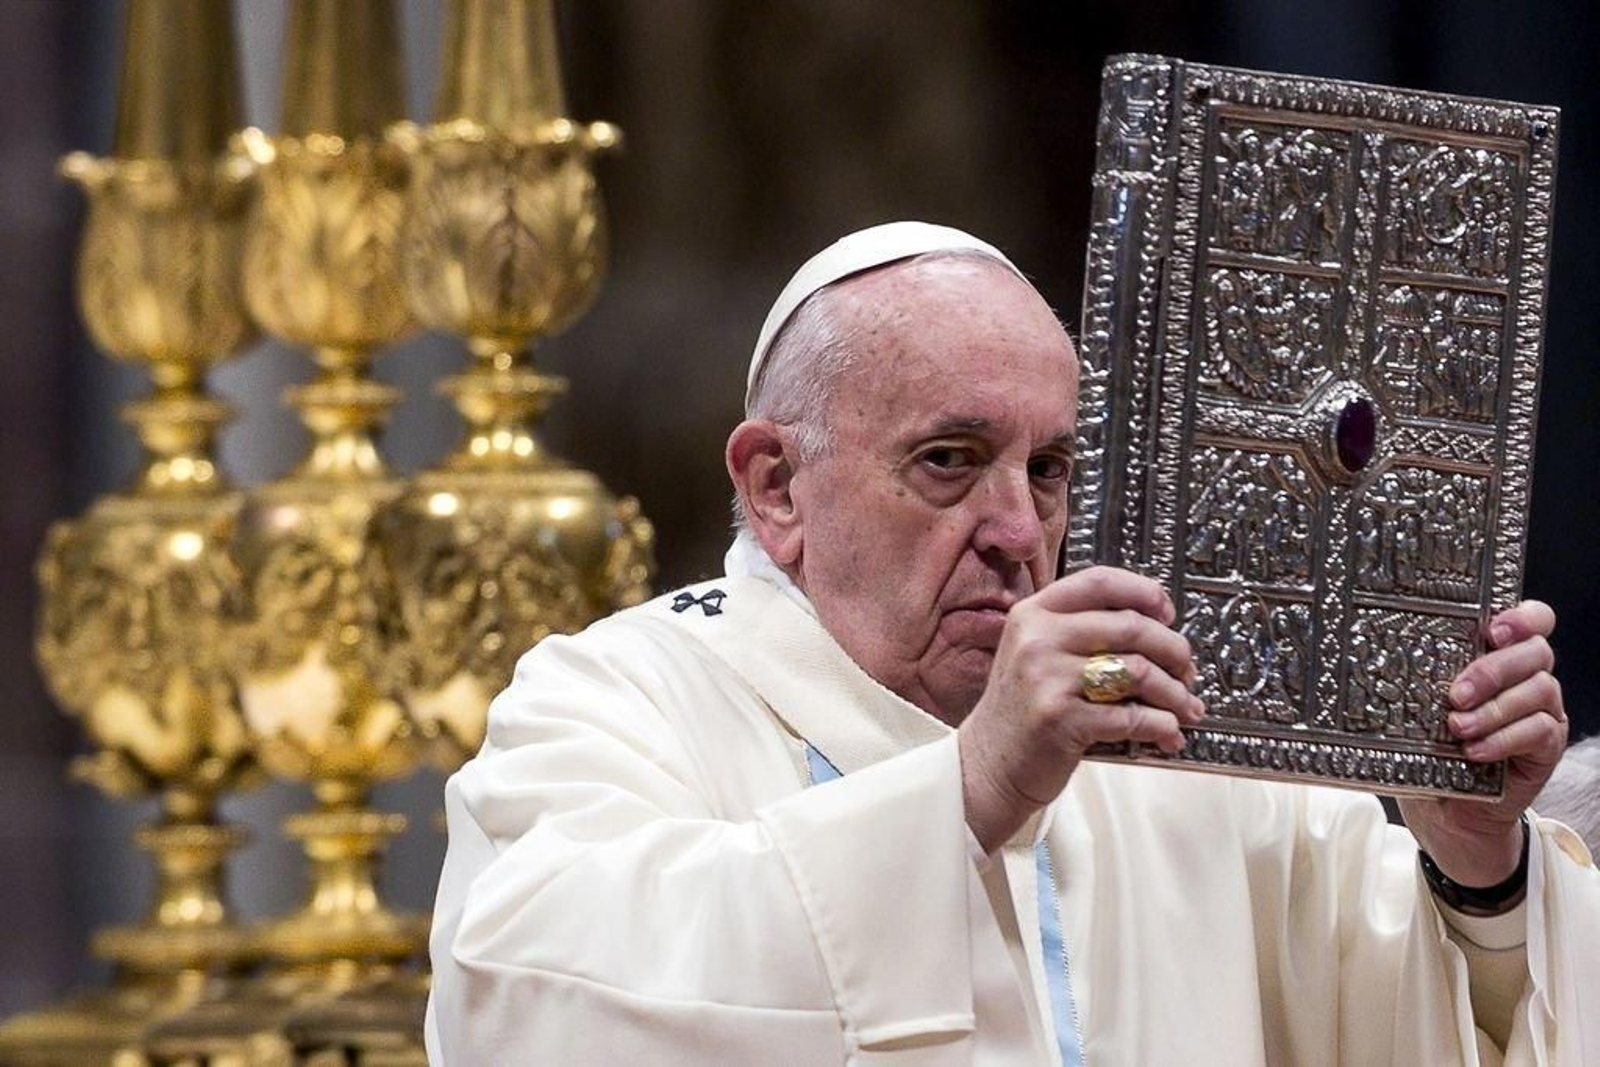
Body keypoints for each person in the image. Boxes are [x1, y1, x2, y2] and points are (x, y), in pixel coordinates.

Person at [425, 223, 1599, 1065]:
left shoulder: (1183, 746)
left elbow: (1426, 1024)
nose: (1015, 531)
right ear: (775, 483)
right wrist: (975, 783)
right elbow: (535, 1000)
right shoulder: (617, 701)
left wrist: (1472, 864)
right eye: (948, 460)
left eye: (1047, 471)